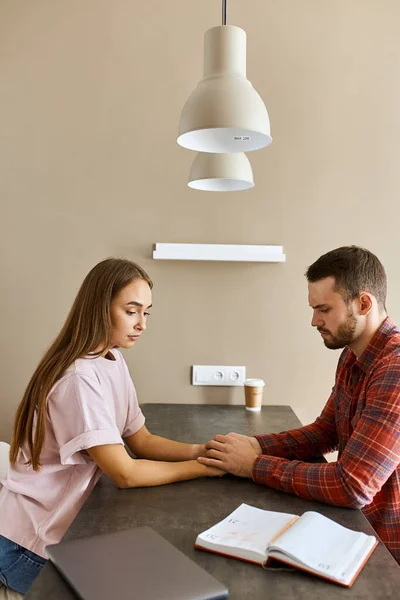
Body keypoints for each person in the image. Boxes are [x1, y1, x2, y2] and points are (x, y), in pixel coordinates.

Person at [0, 258, 221, 596]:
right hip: (25, 547)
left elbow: (141, 440)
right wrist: (204, 468)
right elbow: (125, 473)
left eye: (146, 312)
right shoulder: (78, 378)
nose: (142, 324)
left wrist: (203, 451)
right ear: (100, 308)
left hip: (56, 530)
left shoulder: (112, 359)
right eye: (131, 311)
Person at [199, 246, 400, 563]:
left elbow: (352, 486)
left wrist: (253, 465)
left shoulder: (395, 369)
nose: (314, 320)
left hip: (387, 551)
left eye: (323, 309)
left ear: (363, 304)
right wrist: (256, 444)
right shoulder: (353, 355)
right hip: (358, 532)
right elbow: (325, 431)